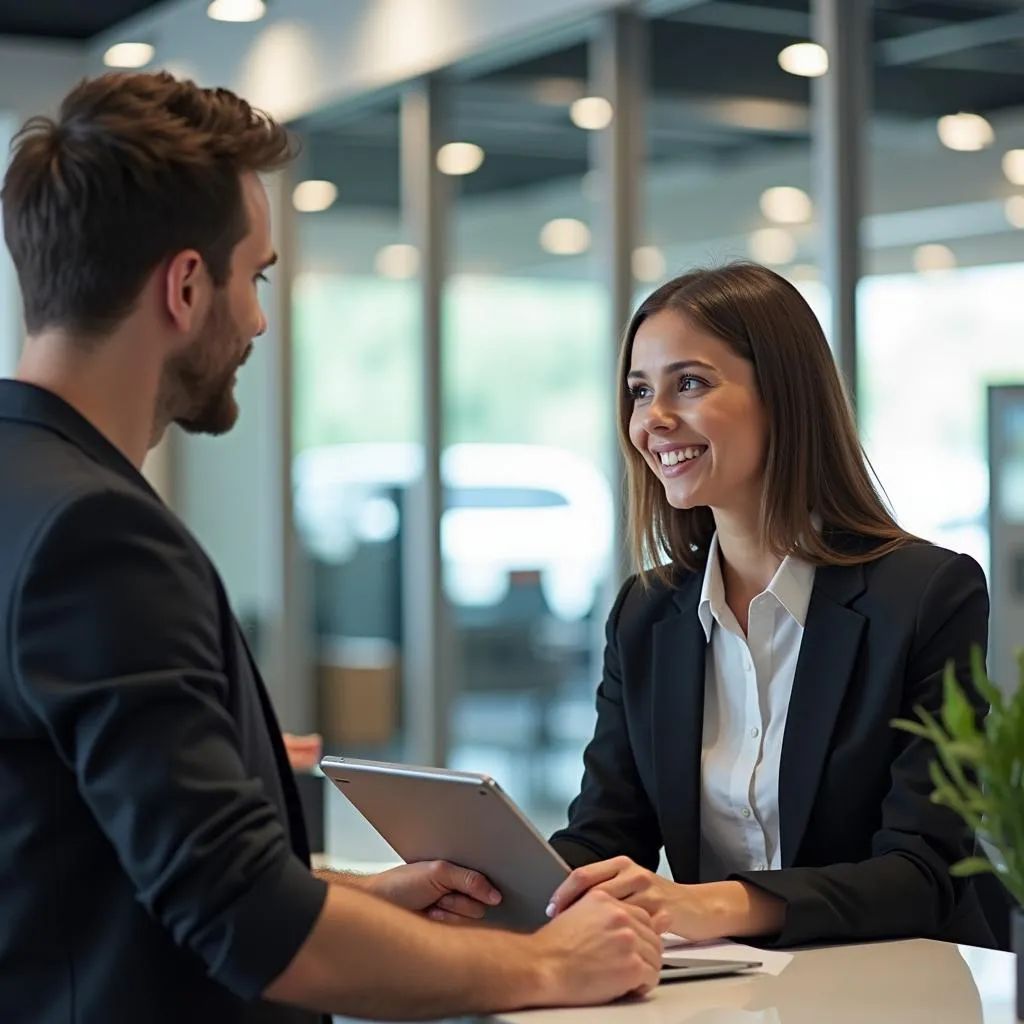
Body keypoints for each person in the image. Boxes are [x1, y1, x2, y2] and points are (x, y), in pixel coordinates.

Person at [0, 72, 666, 1024]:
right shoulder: (96, 534)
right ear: (187, 287)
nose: (262, 319)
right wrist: (553, 968)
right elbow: (246, 922)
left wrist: (360, 900)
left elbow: (94, 861)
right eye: (257, 277)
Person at [544, 263, 995, 950]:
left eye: (688, 383)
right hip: (726, 992)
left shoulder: (928, 595)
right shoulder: (647, 613)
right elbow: (608, 834)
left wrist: (712, 906)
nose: (653, 418)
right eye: (640, 391)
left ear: (783, 395)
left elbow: (920, 873)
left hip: (893, 986)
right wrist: (499, 881)